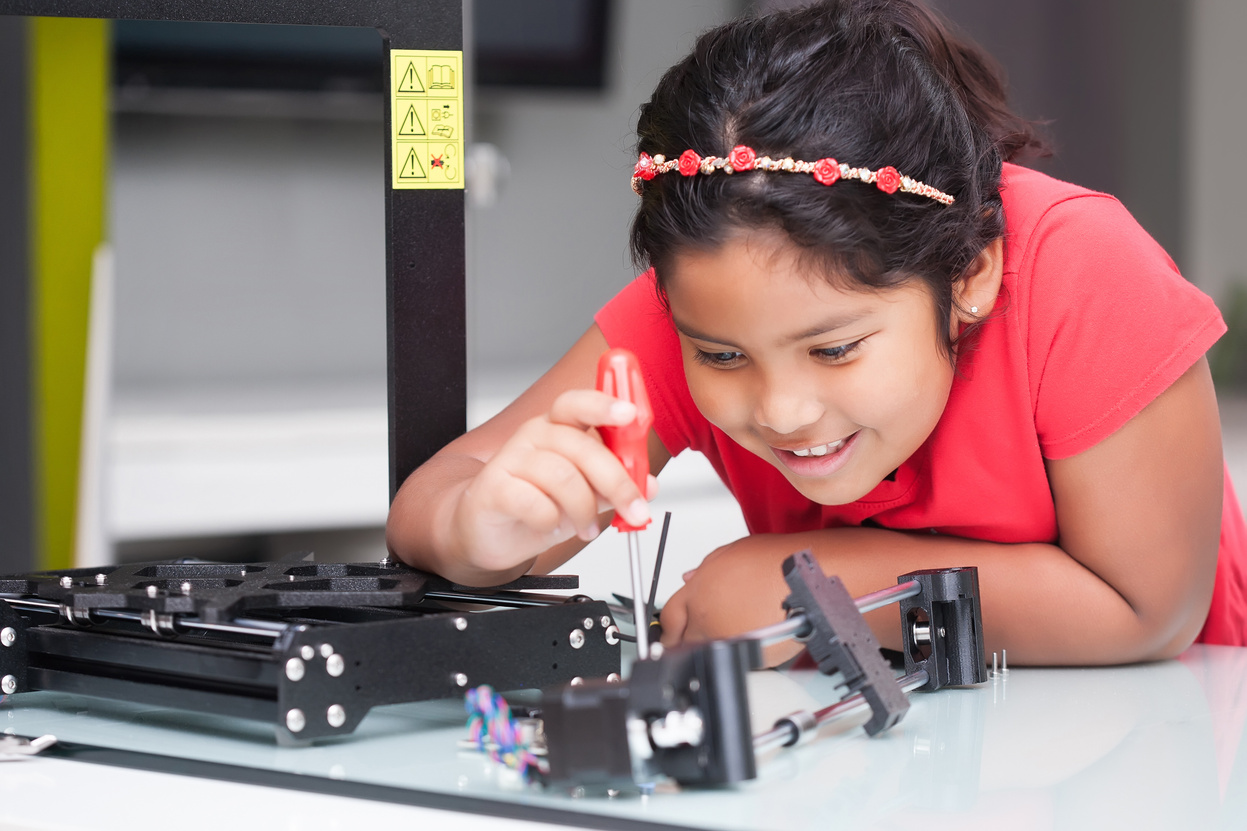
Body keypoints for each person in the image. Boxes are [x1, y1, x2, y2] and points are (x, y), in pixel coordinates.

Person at [386, 0, 1247, 664]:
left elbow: (1147, 611)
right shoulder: (706, 306)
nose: (783, 408)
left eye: (835, 348)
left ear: (970, 273)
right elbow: (433, 499)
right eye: (720, 357)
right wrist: (483, 530)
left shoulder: (1082, 270)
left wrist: (818, 590)